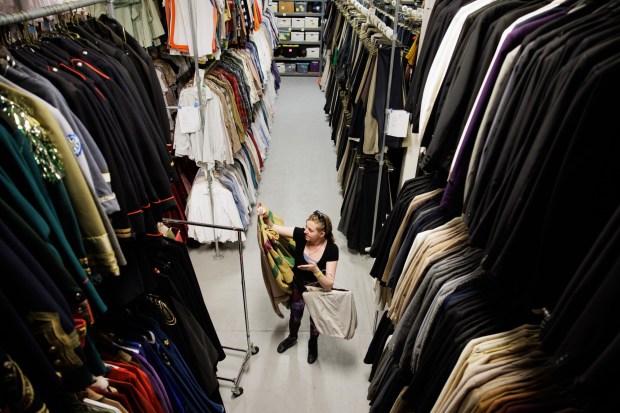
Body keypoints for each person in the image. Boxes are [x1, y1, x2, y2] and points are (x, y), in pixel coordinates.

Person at [257, 203, 339, 364]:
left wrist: (316, 270)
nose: (306, 231)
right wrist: (265, 214)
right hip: (299, 285)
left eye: (311, 230)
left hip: (319, 290)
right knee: (295, 315)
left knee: (316, 321)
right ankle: (292, 337)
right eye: (306, 227)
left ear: (322, 234)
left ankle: (313, 343)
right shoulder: (301, 234)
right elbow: (272, 227)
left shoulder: (332, 249)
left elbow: (328, 284)